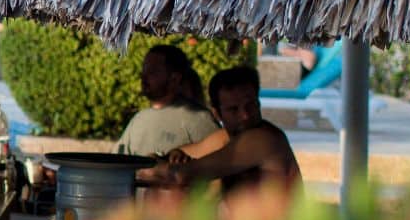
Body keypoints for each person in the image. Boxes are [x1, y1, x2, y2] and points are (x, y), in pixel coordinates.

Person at [156, 67, 302, 195]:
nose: (245, 115)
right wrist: (175, 155)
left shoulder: (263, 139)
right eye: (234, 109)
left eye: (250, 105)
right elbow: (180, 155)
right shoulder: (225, 137)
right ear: (217, 114)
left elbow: (183, 175)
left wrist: (157, 167)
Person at [118, 46, 222, 157]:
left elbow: (219, 163)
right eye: (144, 69)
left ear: (174, 78)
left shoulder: (197, 118)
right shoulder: (138, 120)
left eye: (153, 71)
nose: (144, 76)